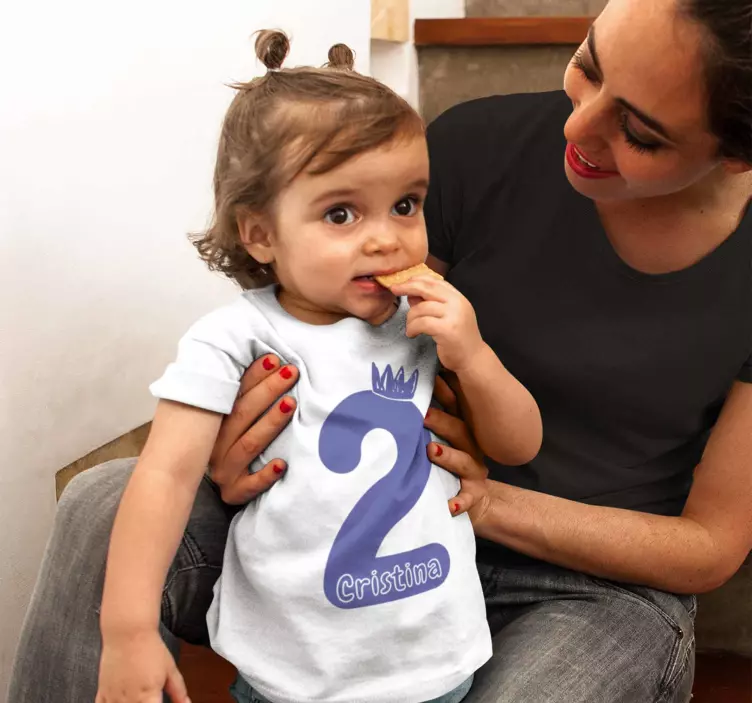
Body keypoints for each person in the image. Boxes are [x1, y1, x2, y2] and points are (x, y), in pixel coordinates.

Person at [9, 0, 752, 701]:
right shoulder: (469, 149)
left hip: (589, 584)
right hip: (361, 534)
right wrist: (240, 449)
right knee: (104, 503)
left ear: (736, 154)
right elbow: (338, 337)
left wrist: (482, 494)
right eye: (587, 63)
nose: (577, 126)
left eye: (640, 132)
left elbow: (709, 544)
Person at [94, 29, 542, 703]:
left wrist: (474, 356)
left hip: (436, 659)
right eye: (341, 213)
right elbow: (165, 476)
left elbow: (518, 445)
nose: (386, 237)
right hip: (292, 671)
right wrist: (129, 630)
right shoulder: (235, 338)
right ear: (260, 234)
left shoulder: (423, 320)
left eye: (406, 204)